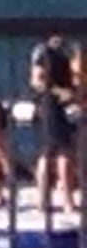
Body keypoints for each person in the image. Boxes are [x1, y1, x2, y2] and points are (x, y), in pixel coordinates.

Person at [35, 38, 81, 225]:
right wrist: (59, 92)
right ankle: (65, 201)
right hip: (52, 105)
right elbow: (37, 80)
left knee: (52, 151)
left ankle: (44, 200)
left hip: (64, 105)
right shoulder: (44, 52)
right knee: (61, 152)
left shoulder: (67, 49)